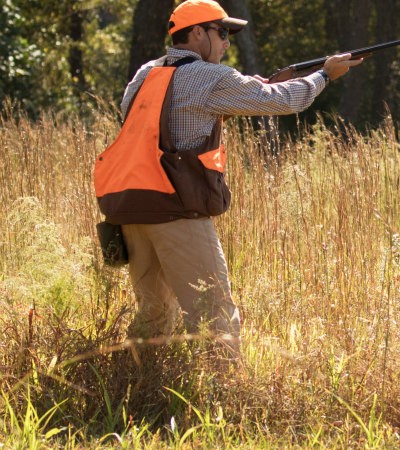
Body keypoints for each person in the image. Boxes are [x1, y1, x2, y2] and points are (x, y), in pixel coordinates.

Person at [93, 0, 361, 360]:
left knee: (153, 314)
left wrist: (244, 94)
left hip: (130, 209)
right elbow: (288, 101)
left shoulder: (145, 74)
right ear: (198, 33)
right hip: (176, 211)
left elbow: (167, 124)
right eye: (222, 32)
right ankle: (222, 401)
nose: (227, 42)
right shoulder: (210, 76)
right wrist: (325, 74)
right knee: (214, 314)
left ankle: (137, 386)